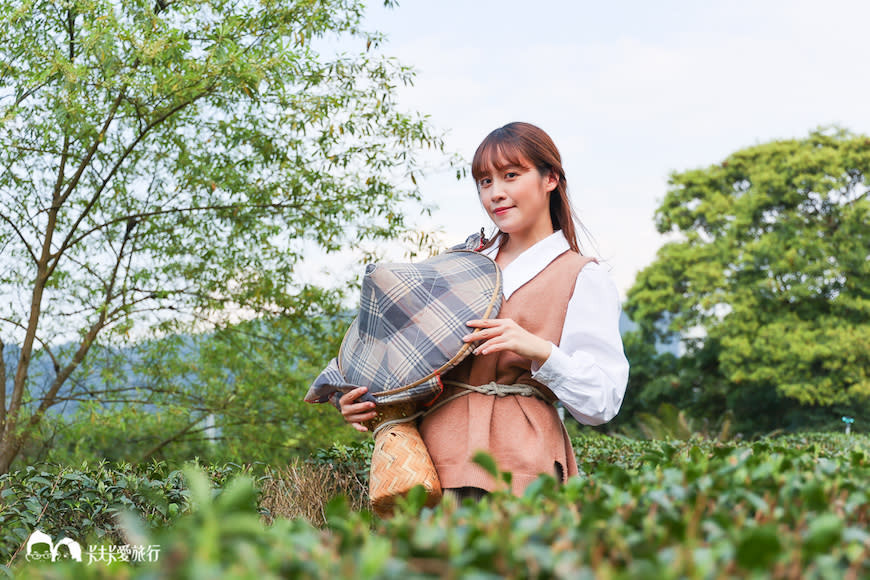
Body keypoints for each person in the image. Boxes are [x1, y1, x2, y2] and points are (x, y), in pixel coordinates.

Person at [339, 121, 629, 498]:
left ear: (550, 179)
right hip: (430, 464)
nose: (496, 193)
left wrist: (539, 350)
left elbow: (602, 401)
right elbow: (403, 355)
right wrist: (367, 400)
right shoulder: (459, 265)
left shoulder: (581, 276)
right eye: (485, 181)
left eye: (511, 175)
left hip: (523, 464)